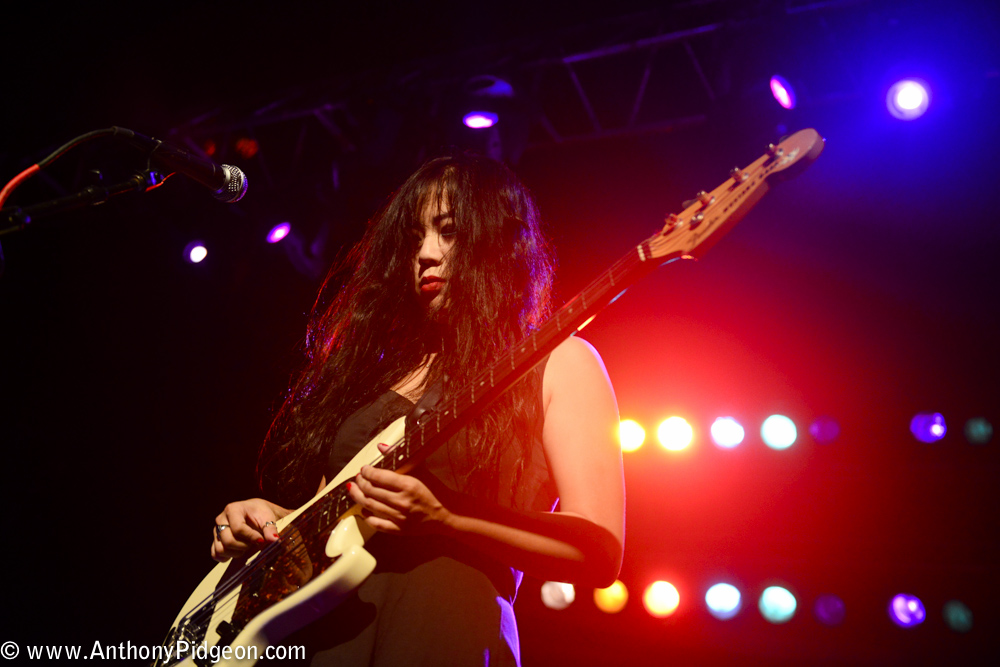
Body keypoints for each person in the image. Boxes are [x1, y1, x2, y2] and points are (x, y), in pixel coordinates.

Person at [210, 153, 624, 665]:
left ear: (498, 241)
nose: (425, 253)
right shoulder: (376, 376)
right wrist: (271, 525)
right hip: (324, 636)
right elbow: (326, 518)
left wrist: (446, 517)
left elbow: (601, 550)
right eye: (414, 239)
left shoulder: (559, 361)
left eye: (448, 232)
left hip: (446, 625)